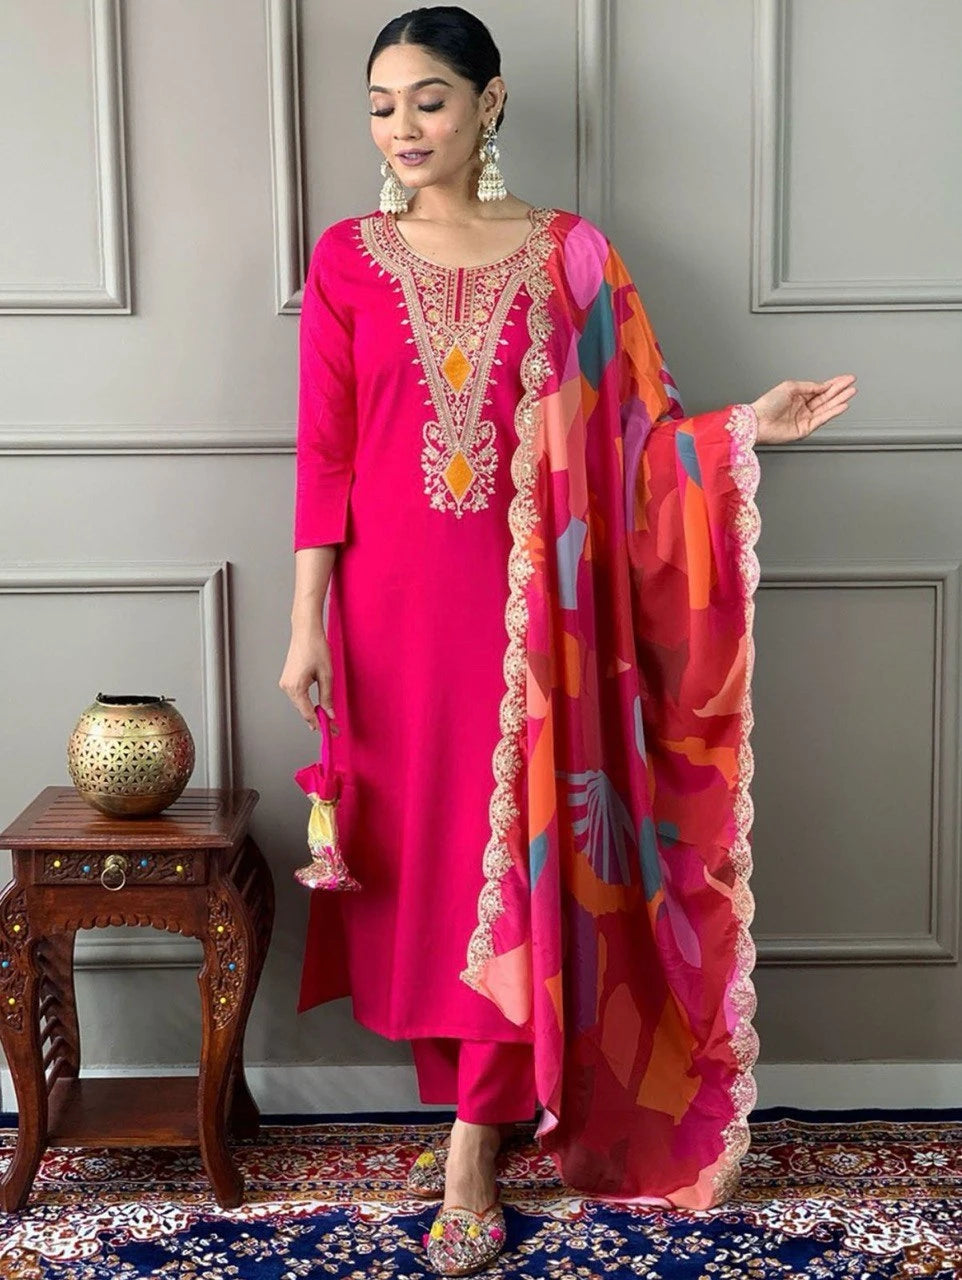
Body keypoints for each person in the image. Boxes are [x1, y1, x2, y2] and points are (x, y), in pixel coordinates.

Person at [278, 6, 858, 1274]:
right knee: (428, 873)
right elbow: (325, 454)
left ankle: (470, 1153)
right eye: (380, 105)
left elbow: (637, 441)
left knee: (512, 861)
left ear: (488, 101)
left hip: (533, 622)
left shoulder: (571, 255)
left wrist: (740, 430)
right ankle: (475, 1102)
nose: (401, 127)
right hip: (386, 618)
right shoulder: (346, 259)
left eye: (428, 98)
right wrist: (305, 622)